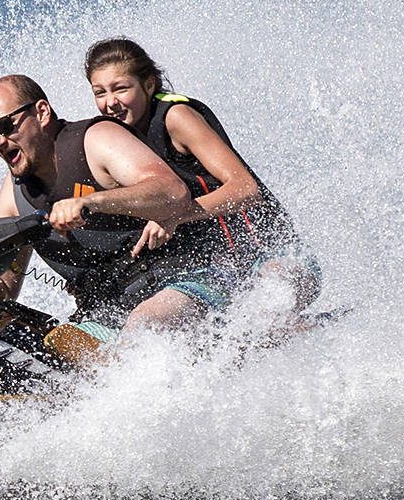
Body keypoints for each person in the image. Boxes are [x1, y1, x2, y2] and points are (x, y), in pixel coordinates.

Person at [0, 73, 227, 337]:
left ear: (41, 112)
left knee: (144, 326)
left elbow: (173, 192)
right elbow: (4, 290)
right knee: (44, 352)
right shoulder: (13, 198)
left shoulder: (96, 140)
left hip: (187, 282)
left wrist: (91, 202)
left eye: (5, 126)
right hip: (104, 320)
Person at [82, 37, 320, 312]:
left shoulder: (177, 117)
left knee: (261, 313)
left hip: (278, 255)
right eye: (100, 93)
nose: (110, 103)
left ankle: (317, 332)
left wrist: (176, 215)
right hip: (225, 275)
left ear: (148, 84)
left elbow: (245, 189)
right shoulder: (121, 143)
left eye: (120, 89)